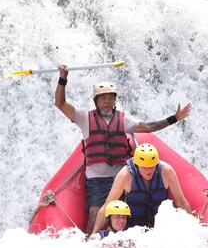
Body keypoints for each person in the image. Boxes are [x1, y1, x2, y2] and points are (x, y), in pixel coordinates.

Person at [55, 65, 191, 235]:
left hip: (120, 176)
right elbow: (60, 103)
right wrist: (63, 79)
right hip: (97, 179)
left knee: (123, 217)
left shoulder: (122, 119)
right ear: (96, 101)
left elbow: (148, 127)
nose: (107, 101)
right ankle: (91, 240)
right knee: (95, 215)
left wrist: (174, 118)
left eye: (111, 98)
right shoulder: (84, 118)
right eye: (103, 98)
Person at [92, 142, 192, 234]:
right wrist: (94, 233)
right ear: (137, 165)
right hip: (132, 227)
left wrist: (194, 228)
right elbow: (107, 207)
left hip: (160, 225)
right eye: (144, 167)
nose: (149, 171)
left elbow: (181, 202)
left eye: (152, 166)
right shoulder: (125, 175)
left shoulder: (167, 172)